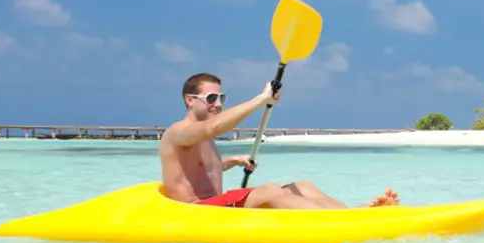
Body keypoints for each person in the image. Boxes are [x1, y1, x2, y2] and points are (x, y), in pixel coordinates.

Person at [159, 72, 398, 209]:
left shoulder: (200, 136)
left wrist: (234, 161)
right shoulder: (179, 132)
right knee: (270, 191)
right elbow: (214, 127)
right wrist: (262, 98)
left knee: (302, 186)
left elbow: (200, 170)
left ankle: (354, 216)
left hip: (219, 204)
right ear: (189, 100)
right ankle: (343, 225)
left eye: (221, 97)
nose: (219, 103)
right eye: (211, 98)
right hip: (197, 211)